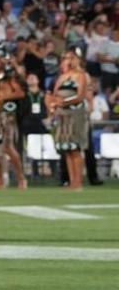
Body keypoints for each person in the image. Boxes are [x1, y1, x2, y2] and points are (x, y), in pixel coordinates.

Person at [0, 51, 27, 189]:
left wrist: (3, 97)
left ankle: (21, 179)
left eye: (0, 58)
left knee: (8, 148)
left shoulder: (10, 75)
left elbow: (20, 92)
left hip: (6, 114)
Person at [48, 50, 88, 190]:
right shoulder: (61, 77)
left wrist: (63, 102)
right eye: (65, 58)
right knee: (66, 148)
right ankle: (72, 182)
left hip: (75, 113)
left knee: (75, 147)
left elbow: (81, 96)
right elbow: (54, 94)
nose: (67, 60)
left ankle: (78, 182)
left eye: (70, 58)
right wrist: (53, 106)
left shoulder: (80, 76)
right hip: (62, 114)